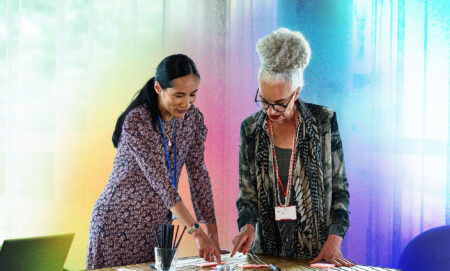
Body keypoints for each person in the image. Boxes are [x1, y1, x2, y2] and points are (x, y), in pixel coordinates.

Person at [87, 54, 224, 269]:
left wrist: (213, 232)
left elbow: (199, 175)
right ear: (159, 88)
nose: (186, 103)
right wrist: (196, 231)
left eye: (192, 95)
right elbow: (161, 181)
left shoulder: (193, 119)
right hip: (117, 224)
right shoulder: (139, 120)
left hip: (157, 229)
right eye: (179, 95)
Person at [231, 28, 354, 267]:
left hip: (316, 253)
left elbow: (340, 188)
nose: (269, 111)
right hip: (266, 254)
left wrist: (335, 237)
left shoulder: (323, 122)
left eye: (279, 104)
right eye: (264, 101)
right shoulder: (250, 129)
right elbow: (247, 194)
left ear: (296, 92)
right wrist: (246, 226)